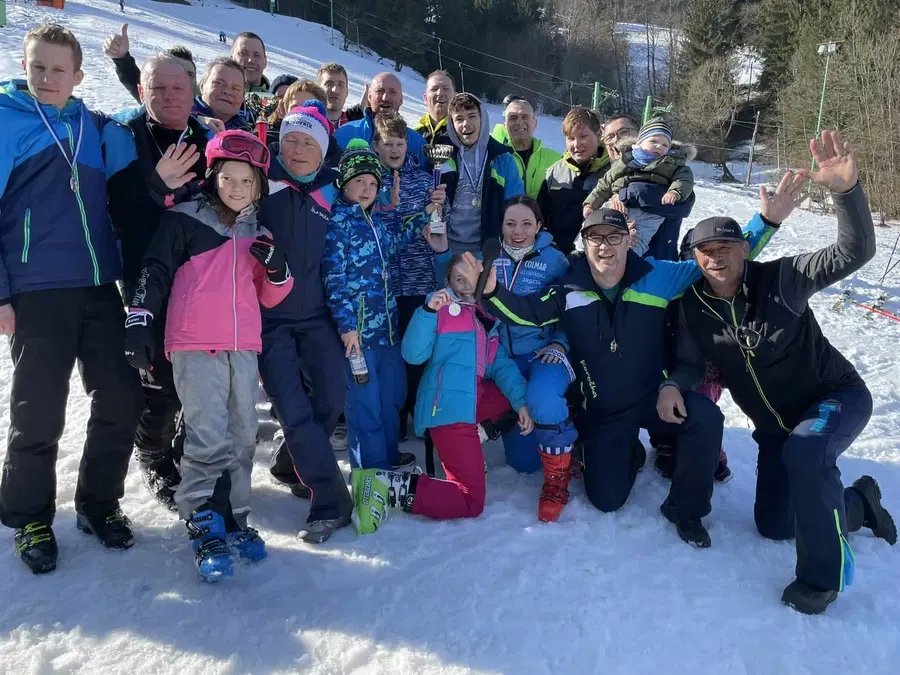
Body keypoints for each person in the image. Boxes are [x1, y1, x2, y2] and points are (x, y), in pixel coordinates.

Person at [456, 179, 800, 547]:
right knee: (607, 501)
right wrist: (491, 290)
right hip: (605, 410)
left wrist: (766, 221)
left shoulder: (656, 275)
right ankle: (630, 454)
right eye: (595, 238)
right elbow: (527, 313)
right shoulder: (569, 287)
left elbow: (718, 264)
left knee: (706, 418)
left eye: (613, 237)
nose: (605, 246)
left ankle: (686, 508)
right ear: (585, 244)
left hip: (654, 397)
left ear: (627, 240)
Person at [661, 130, 897, 614]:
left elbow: (854, 254)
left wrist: (846, 192)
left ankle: (819, 582)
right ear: (694, 258)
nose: (716, 255)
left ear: (745, 249)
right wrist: (671, 384)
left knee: (810, 451)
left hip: (833, 397)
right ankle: (859, 502)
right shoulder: (692, 309)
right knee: (775, 525)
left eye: (726, 245)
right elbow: (691, 365)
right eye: (705, 249)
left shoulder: (782, 280)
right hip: (776, 430)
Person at [0, 24, 143, 574]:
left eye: (59, 69)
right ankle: (29, 514)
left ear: (78, 76)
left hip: (97, 284)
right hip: (36, 289)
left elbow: (143, 166)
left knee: (120, 395)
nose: (47, 78)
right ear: (24, 65)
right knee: (38, 409)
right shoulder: (8, 122)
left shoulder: (94, 126)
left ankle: (98, 503)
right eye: (38, 66)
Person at [123, 131, 292, 582]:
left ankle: (234, 516)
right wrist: (140, 316)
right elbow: (154, 269)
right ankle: (202, 516)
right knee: (207, 436)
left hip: (243, 347)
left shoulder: (260, 231)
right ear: (214, 178)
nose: (237, 189)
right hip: (195, 344)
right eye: (229, 178)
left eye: (247, 182)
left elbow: (271, 297)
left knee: (242, 435)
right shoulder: (184, 220)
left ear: (259, 187)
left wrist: (277, 269)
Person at [351, 255, 534, 532]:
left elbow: (503, 367)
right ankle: (387, 486)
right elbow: (412, 355)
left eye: (470, 277)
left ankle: (475, 438)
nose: (466, 285)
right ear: (447, 282)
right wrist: (428, 311)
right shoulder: (442, 311)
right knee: (470, 500)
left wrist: (522, 402)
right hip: (446, 408)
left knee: (512, 396)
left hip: (472, 400)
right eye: (458, 279)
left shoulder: (487, 320)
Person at [108, 55, 212, 511]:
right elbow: (113, 213)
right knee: (160, 380)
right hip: (145, 276)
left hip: (199, 280)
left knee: (197, 376)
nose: (169, 96)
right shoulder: (124, 137)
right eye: (158, 88)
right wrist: (155, 184)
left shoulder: (207, 138)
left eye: (178, 87)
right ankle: (153, 456)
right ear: (141, 91)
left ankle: (191, 451)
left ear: (193, 90)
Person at [257, 100, 354, 544]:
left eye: (307, 142)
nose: (296, 150)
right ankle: (331, 502)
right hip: (269, 319)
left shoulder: (333, 189)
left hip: (318, 316)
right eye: (290, 140)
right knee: (293, 410)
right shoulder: (261, 181)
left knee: (333, 395)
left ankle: (290, 462)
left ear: (323, 148)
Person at [323, 139, 446, 473]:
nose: (367, 188)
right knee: (366, 404)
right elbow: (333, 280)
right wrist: (347, 327)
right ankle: (372, 471)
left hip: (388, 330)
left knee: (393, 396)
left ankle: (389, 455)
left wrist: (425, 215)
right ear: (344, 184)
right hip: (359, 337)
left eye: (373, 183)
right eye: (360, 181)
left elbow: (395, 243)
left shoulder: (375, 222)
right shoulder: (339, 225)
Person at [488, 196, 577, 521]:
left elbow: (574, 309)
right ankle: (564, 437)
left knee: (541, 397)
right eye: (510, 223)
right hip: (505, 360)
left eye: (526, 223)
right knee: (523, 464)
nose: (517, 231)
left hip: (545, 352)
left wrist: (561, 343)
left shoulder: (556, 261)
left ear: (539, 226)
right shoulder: (490, 257)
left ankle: (557, 480)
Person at [372, 114, 438, 443]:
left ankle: (418, 413)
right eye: (388, 144)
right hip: (381, 284)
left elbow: (440, 225)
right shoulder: (370, 181)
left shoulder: (425, 181)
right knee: (388, 355)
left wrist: (439, 209)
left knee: (416, 353)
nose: (395, 150)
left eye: (400, 144)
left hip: (418, 281)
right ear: (376, 146)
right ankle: (393, 417)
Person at [582, 118, 695, 257]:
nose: (659, 146)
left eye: (624, 131)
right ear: (640, 142)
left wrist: (674, 192)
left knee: (637, 238)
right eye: (610, 136)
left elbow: (683, 185)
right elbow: (604, 185)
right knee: (596, 228)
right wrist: (591, 204)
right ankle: (584, 250)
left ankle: (630, 257)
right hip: (616, 210)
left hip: (656, 239)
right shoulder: (624, 161)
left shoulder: (672, 164)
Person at [442, 93, 524, 253]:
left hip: (487, 250)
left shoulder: (503, 159)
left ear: (483, 119)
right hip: (445, 249)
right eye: (459, 119)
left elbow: (515, 207)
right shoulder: (441, 155)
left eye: (472, 116)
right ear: (451, 123)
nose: (466, 124)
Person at [537, 107, 610, 255]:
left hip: (599, 258)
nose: (577, 144)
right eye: (571, 138)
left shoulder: (613, 172)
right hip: (557, 257)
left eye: (583, 136)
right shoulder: (554, 173)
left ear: (598, 135)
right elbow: (540, 219)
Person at [333, 72, 428, 167]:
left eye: (392, 92)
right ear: (369, 97)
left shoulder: (417, 143)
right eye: (380, 91)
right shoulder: (346, 133)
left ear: (401, 100)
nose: (385, 97)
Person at [102, 24, 198, 102]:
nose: (184, 79)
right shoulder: (157, 104)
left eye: (190, 74)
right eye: (176, 73)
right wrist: (122, 58)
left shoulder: (208, 106)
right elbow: (136, 81)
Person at [495, 98, 560, 200]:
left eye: (525, 117)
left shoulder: (555, 160)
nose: (519, 122)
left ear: (535, 124)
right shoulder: (496, 159)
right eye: (513, 118)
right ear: (505, 127)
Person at [194, 57, 252, 131]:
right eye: (219, 83)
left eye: (236, 89)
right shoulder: (182, 114)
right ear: (202, 86)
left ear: (243, 97)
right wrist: (194, 120)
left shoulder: (246, 132)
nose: (228, 91)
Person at [315, 62, 364, 134]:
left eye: (340, 85)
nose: (335, 90)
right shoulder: (308, 122)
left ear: (347, 92)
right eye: (329, 84)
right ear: (317, 90)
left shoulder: (357, 129)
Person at [414, 70, 455, 145]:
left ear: (454, 97)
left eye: (446, 89)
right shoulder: (414, 135)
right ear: (425, 98)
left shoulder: (461, 133)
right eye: (434, 89)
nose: (440, 93)